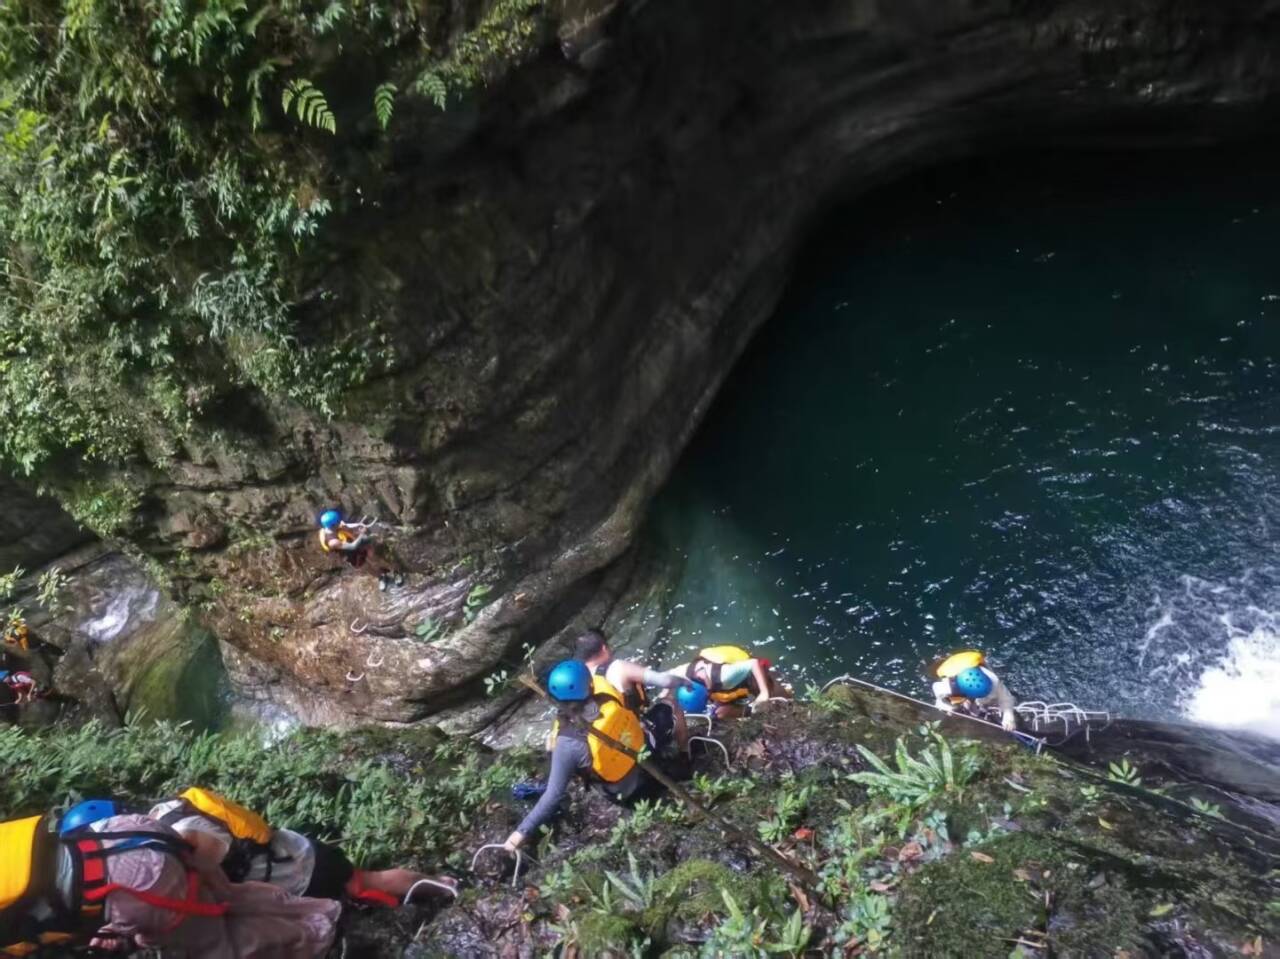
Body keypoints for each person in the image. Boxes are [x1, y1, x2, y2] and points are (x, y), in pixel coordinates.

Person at [3, 805, 339, 957]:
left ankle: (322, 938)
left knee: (219, 947)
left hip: (134, 887)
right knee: (228, 895)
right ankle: (325, 910)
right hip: (125, 834)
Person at [149, 788, 455, 907]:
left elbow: (215, 879)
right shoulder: (168, 811)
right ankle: (435, 890)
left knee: (364, 886)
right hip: (296, 849)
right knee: (362, 885)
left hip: (299, 870)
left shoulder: (184, 834)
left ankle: (442, 888)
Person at [500, 660, 683, 855]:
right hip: (647, 760)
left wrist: (519, 833)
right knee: (669, 703)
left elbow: (553, 796)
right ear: (589, 685)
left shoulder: (567, 742)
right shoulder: (607, 696)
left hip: (621, 792)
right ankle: (685, 756)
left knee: (551, 744)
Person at [574, 628, 694, 755]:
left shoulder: (578, 681)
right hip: (637, 743)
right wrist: (684, 681)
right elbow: (666, 681)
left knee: (662, 698)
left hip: (610, 750)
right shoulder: (618, 667)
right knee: (672, 704)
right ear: (604, 648)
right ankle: (685, 755)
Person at [668, 645, 787, 718]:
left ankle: (779, 692)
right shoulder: (687, 672)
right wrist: (664, 696)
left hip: (748, 671)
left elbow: (753, 663)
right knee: (721, 713)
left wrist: (764, 693)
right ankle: (744, 710)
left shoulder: (725, 676)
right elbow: (669, 674)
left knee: (779, 699)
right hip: (726, 679)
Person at [930, 650, 1018, 732]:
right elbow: (939, 700)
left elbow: (1006, 698)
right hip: (957, 673)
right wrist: (951, 709)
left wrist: (1008, 715)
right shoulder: (945, 687)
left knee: (988, 702)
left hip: (970, 673)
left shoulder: (992, 679)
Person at [317, 508, 403, 591]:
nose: (340, 522)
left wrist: (359, 526)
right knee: (365, 567)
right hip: (350, 551)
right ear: (332, 525)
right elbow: (352, 546)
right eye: (338, 522)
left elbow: (347, 526)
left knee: (375, 558)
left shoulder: (332, 526)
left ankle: (396, 571)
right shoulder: (333, 542)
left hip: (358, 545)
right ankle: (381, 577)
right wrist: (362, 534)